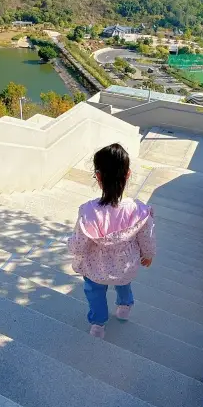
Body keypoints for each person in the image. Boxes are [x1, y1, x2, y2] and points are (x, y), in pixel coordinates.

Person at [68, 143, 156, 339]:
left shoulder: (89, 211)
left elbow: (79, 243)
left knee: (95, 293)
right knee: (124, 284)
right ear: (128, 174)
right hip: (125, 266)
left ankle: (98, 325)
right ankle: (124, 307)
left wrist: (71, 247)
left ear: (98, 176)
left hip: (95, 268)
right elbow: (147, 237)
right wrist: (148, 254)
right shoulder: (139, 210)